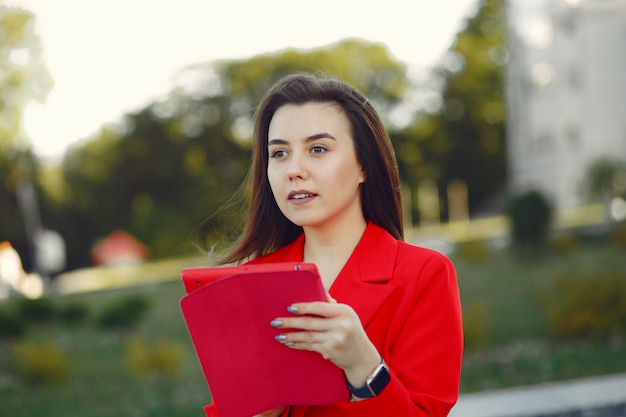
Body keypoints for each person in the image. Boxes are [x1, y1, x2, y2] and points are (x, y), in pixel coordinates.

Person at [204, 72, 463, 417]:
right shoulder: (249, 282)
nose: (293, 169)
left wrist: (365, 367)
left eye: (318, 149)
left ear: (363, 166)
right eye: (279, 153)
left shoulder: (424, 275)